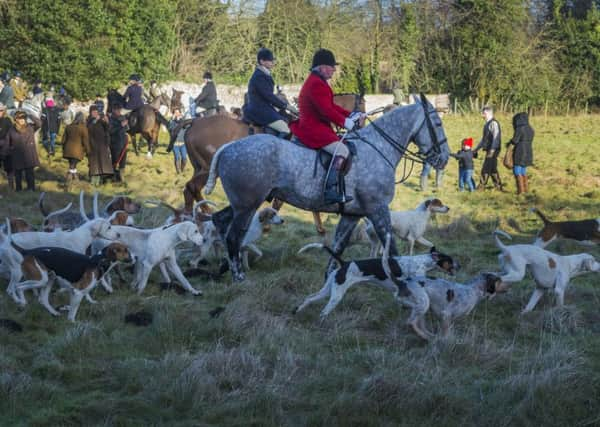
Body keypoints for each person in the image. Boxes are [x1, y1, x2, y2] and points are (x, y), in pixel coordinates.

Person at [290, 48, 364, 205]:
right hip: (313, 129)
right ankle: (329, 190)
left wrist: (350, 114)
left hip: (316, 126)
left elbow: (330, 106)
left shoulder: (317, 82)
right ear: (322, 67)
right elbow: (326, 111)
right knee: (342, 150)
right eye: (332, 66)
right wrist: (346, 123)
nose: (334, 69)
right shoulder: (317, 84)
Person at [242, 48, 298, 137]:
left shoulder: (264, 74)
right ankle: (277, 150)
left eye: (272, 60)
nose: (272, 62)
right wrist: (287, 106)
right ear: (262, 61)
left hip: (265, 108)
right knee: (286, 129)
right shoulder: (259, 76)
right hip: (259, 110)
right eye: (269, 60)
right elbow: (269, 96)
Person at [7, 110, 41, 191]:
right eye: (19, 118)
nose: (22, 119)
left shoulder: (30, 127)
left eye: (23, 118)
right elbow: (7, 143)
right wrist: (6, 154)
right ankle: (19, 190)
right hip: (17, 155)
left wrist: (29, 115)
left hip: (29, 155)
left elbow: (39, 124)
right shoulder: (11, 130)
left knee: (30, 174)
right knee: (18, 175)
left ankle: (31, 189)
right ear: (15, 119)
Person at [474, 105, 503, 191]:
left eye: (483, 113)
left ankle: (481, 186)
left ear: (486, 113)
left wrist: (493, 149)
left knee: (486, 167)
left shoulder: (493, 123)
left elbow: (496, 138)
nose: (482, 115)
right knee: (492, 168)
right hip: (489, 149)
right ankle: (498, 186)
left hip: (493, 149)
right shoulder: (487, 125)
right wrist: (476, 149)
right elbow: (483, 140)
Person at [507, 112, 534, 194]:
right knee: (523, 169)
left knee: (517, 170)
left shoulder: (520, 129)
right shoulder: (530, 129)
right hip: (529, 150)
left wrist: (509, 145)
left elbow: (515, 140)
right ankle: (525, 189)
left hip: (520, 150)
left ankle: (520, 190)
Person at [87, 105, 113, 186]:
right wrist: (95, 120)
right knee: (94, 164)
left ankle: (101, 181)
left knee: (103, 163)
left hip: (102, 145)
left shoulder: (101, 120)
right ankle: (93, 181)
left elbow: (108, 129)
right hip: (93, 145)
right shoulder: (89, 120)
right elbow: (88, 129)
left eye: (96, 112)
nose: (95, 113)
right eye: (93, 112)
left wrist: (107, 122)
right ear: (90, 113)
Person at [62, 111, 90, 185]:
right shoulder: (83, 128)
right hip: (77, 151)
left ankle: (74, 178)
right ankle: (69, 180)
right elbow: (86, 141)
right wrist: (88, 151)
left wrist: (64, 148)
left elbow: (63, 140)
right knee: (72, 165)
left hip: (68, 150)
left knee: (72, 164)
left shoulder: (68, 127)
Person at [109, 104, 129, 182]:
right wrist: (120, 125)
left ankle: (121, 177)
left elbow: (127, 129)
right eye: (117, 109)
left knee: (123, 161)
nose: (119, 111)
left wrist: (126, 125)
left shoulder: (122, 117)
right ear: (113, 110)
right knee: (115, 161)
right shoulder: (111, 119)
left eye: (119, 109)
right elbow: (111, 131)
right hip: (115, 143)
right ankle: (112, 177)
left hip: (123, 143)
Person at [168, 108, 188, 174]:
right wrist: (172, 120)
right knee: (177, 157)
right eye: (175, 113)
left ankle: (182, 169)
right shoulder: (172, 122)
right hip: (175, 144)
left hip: (183, 144)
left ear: (180, 113)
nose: (177, 114)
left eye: (178, 112)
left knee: (184, 158)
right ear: (173, 114)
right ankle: (178, 171)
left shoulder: (183, 121)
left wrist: (182, 120)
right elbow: (171, 129)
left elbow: (187, 127)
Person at [0, 102, 14, 191]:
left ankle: (11, 186)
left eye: (1, 110)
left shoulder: (7, 121)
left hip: (6, 147)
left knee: (9, 167)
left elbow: (12, 133)